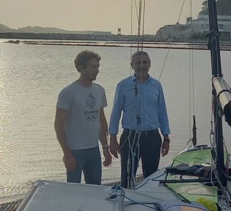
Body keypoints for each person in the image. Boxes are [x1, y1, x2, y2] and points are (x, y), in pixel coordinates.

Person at [109, 50, 171, 187]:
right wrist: (112, 138)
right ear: (132, 65)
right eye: (138, 63)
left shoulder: (156, 85)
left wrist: (166, 137)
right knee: (127, 176)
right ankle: (125, 202)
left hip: (152, 137)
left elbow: (162, 112)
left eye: (144, 62)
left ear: (149, 64)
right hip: (130, 137)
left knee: (151, 178)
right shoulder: (123, 85)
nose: (141, 66)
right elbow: (116, 112)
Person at [54, 50, 112, 184]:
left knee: (95, 189)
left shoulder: (99, 90)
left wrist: (105, 147)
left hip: (93, 150)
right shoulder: (68, 92)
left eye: (97, 66)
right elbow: (58, 125)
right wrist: (67, 154)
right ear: (81, 68)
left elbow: (101, 121)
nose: (97, 70)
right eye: (93, 67)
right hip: (75, 151)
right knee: (74, 191)